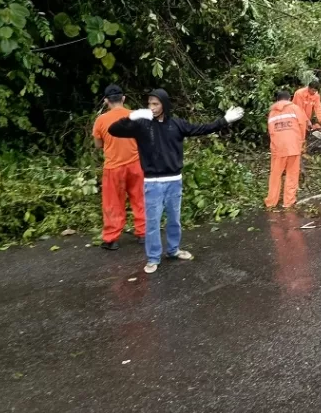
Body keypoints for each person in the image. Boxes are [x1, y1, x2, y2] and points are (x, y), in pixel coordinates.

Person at [109, 89, 244, 274]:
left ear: (164, 104)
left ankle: (173, 250)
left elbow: (201, 128)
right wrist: (133, 116)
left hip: (174, 181)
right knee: (153, 223)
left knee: (174, 220)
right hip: (153, 182)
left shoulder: (177, 124)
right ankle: (153, 258)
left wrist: (224, 120)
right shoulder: (142, 125)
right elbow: (114, 130)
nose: (152, 107)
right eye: (149, 103)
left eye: (155, 104)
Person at [92, 84, 146, 250]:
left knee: (112, 203)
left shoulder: (101, 120)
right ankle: (143, 233)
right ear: (123, 98)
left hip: (113, 167)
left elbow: (98, 145)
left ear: (106, 100)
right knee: (140, 199)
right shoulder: (135, 116)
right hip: (136, 164)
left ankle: (111, 239)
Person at [265, 91, 311, 210]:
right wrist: (301, 143)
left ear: (277, 100)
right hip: (293, 147)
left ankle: (271, 202)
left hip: (278, 148)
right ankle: (288, 202)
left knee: (275, 175)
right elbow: (302, 126)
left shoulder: (272, 112)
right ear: (289, 99)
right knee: (292, 174)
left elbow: (271, 131)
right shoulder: (295, 109)